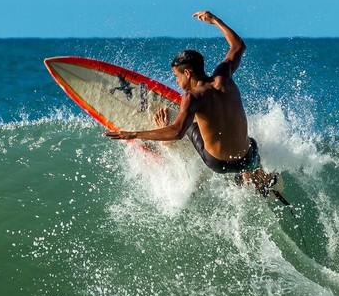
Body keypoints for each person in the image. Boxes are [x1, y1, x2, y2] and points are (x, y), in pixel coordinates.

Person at [104, 10, 277, 192]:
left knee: (190, 121)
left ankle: (166, 144)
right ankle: (255, 176)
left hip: (217, 163)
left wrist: (134, 134)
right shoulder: (224, 75)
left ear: (188, 73)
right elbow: (238, 46)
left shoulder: (192, 97)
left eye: (177, 76)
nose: (177, 82)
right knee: (252, 143)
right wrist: (214, 20)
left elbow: (177, 131)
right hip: (246, 158)